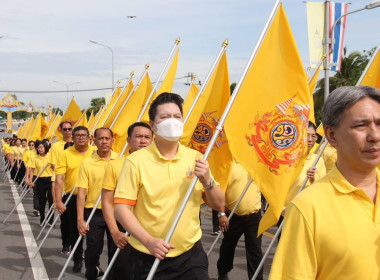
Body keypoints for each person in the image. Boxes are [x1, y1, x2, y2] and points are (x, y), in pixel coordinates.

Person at [269, 86, 380, 279]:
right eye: (361, 126)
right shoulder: (307, 208)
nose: (375, 136)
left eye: (379, 124)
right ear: (331, 136)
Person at [114, 92, 225, 280]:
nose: (172, 121)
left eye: (177, 116)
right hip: (147, 256)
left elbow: (219, 204)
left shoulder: (196, 157)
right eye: (165, 117)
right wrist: (149, 241)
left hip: (190, 255)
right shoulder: (136, 161)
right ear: (152, 125)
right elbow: (121, 209)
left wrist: (208, 181)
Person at [101, 122, 153, 279]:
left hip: (151, 228)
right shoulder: (115, 165)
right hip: (123, 230)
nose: (143, 141)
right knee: (121, 271)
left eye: (147, 137)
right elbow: (107, 201)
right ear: (128, 140)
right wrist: (114, 231)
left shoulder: (158, 165)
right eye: (138, 137)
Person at [76, 127, 118, 279]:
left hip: (116, 212)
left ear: (113, 141)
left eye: (107, 139)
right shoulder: (87, 163)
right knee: (93, 248)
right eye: (101, 139)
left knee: (116, 249)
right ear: (94, 141)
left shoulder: (121, 160)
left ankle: (113, 276)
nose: (104, 142)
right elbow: (81, 193)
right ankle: (92, 272)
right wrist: (80, 219)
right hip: (94, 212)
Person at [55, 126, 97, 273]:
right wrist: (58, 200)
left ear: (89, 137)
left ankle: (94, 264)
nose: (81, 138)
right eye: (77, 135)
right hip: (73, 197)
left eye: (84, 135)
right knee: (76, 231)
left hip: (94, 198)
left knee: (94, 233)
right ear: (72, 138)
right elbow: (59, 178)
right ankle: (77, 259)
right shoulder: (66, 154)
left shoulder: (96, 152)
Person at [217, 161, 263, 280]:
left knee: (255, 251)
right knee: (228, 247)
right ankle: (223, 270)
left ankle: (256, 278)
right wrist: (221, 214)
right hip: (232, 216)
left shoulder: (258, 162)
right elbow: (220, 190)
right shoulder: (229, 163)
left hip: (254, 216)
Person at [49, 121, 73, 255]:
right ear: (61, 130)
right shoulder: (56, 146)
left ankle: (77, 248)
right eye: (65, 129)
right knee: (65, 219)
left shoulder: (78, 145)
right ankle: (66, 243)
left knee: (78, 220)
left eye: (70, 129)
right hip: (61, 184)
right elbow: (53, 165)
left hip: (76, 187)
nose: (67, 131)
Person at [28, 140, 54, 226]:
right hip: (39, 180)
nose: (40, 149)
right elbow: (32, 170)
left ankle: (50, 220)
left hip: (50, 180)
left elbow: (55, 168)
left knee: (51, 200)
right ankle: (42, 218)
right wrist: (30, 181)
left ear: (46, 148)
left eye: (42, 147)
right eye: (38, 148)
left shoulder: (50, 157)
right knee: (42, 201)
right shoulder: (35, 158)